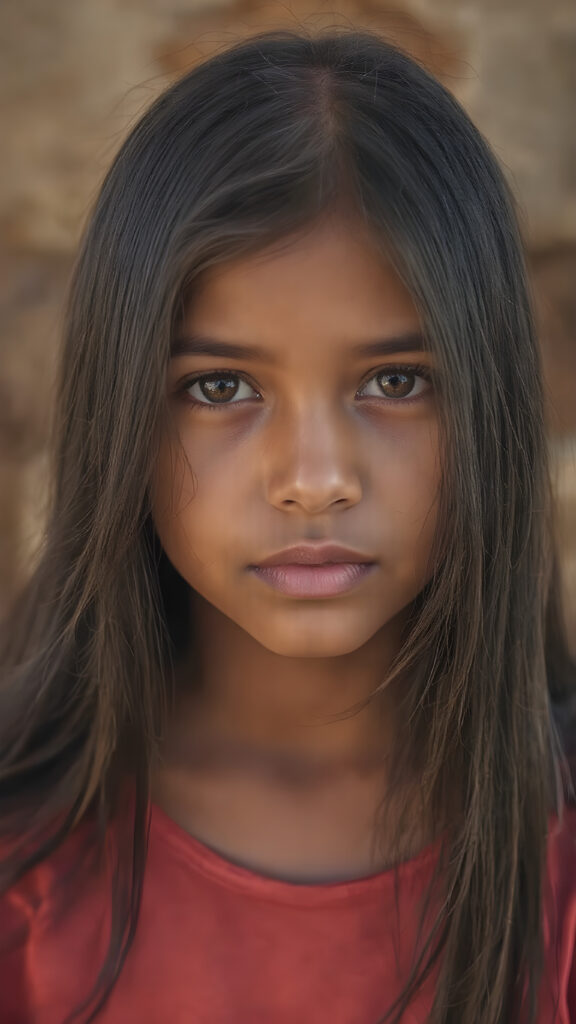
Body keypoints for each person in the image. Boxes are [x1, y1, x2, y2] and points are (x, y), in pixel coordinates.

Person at [0, 27, 575, 1024]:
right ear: (119, 413)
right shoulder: (25, 865)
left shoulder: (556, 863)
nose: (315, 481)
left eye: (397, 382)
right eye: (220, 386)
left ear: (492, 406)